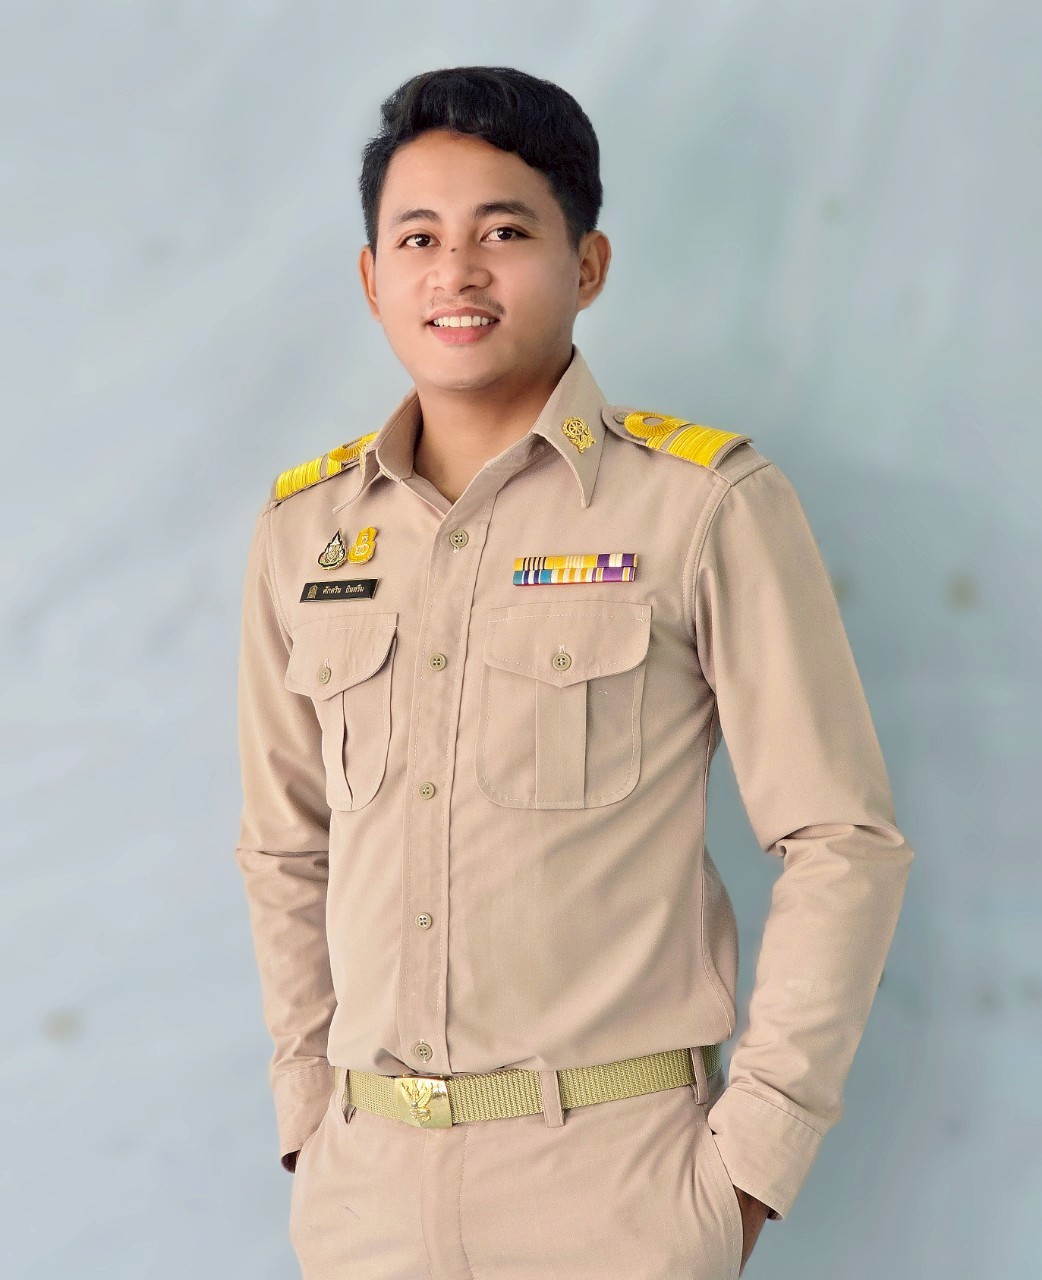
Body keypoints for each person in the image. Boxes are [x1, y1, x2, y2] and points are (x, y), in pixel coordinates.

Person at [234, 65, 914, 1280]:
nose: (456, 271)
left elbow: (840, 838)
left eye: (504, 232)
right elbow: (286, 846)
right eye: (418, 237)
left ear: (586, 264)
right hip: (365, 1193)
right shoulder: (305, 532)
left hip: (616, 1184)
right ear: (372, 276)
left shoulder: (702, 504)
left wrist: (751, 1161)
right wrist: (306, 1113)